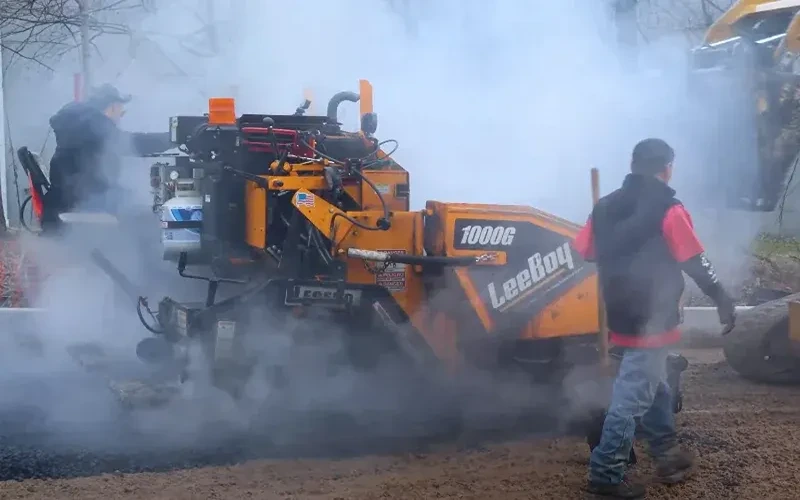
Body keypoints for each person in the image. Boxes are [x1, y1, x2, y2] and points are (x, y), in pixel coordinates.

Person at [573, 138, 737, 499]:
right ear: (667, 168)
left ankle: (667, 454)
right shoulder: (669, 208)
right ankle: (605, 475)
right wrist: (722, 299)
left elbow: (585, 251)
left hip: (619, 313)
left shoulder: (603, 207)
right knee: (631, 398)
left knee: (656, 381)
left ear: (633, 165)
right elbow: (694, 261)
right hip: (653, 316)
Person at [43, 83, 174, 230]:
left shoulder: (82, 125)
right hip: (82, 200)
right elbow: (133, 143)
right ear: (112, 107)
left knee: (137, 205)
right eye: (121, 111)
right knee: (150, 218)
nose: (120, 117)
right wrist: (173, 138)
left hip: (65, 199)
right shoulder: (94, 125)